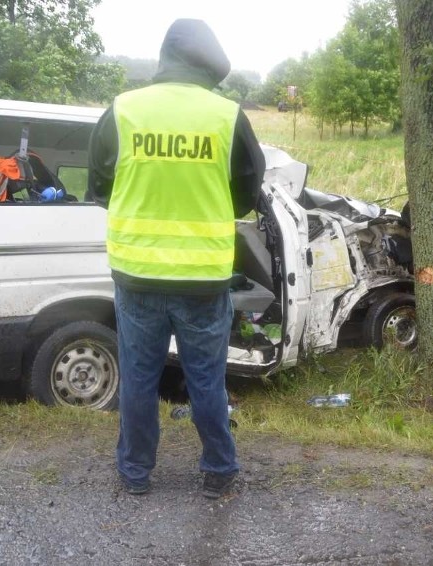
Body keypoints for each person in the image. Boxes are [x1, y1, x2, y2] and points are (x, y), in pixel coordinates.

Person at [88, 19, 265, 498]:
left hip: (138, 275)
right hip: (203, 280)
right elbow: (248, 193)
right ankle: (219, 473)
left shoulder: (123, 111)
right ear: (210, 64)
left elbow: (102, 188)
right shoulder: (227, 116)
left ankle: (135, 473)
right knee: (206, 382)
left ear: (166, 58)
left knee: (140, 380)